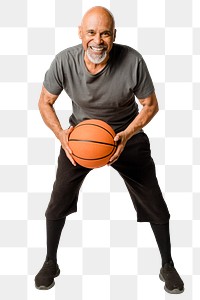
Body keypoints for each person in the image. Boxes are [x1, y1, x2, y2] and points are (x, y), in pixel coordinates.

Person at [35, 6, 184, 294]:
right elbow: (44, 101)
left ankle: (167, 264)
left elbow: (151, 105)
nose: (97, 40)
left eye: (105, 33)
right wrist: (62, 135)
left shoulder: (132, 60)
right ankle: (50, 261)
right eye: (91, 32)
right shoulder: (64, 61)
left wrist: (127, 135)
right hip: (80, 140)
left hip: (125, 137)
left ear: (114, 35)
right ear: (80, 33)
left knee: (157, 205)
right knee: (56, 204)